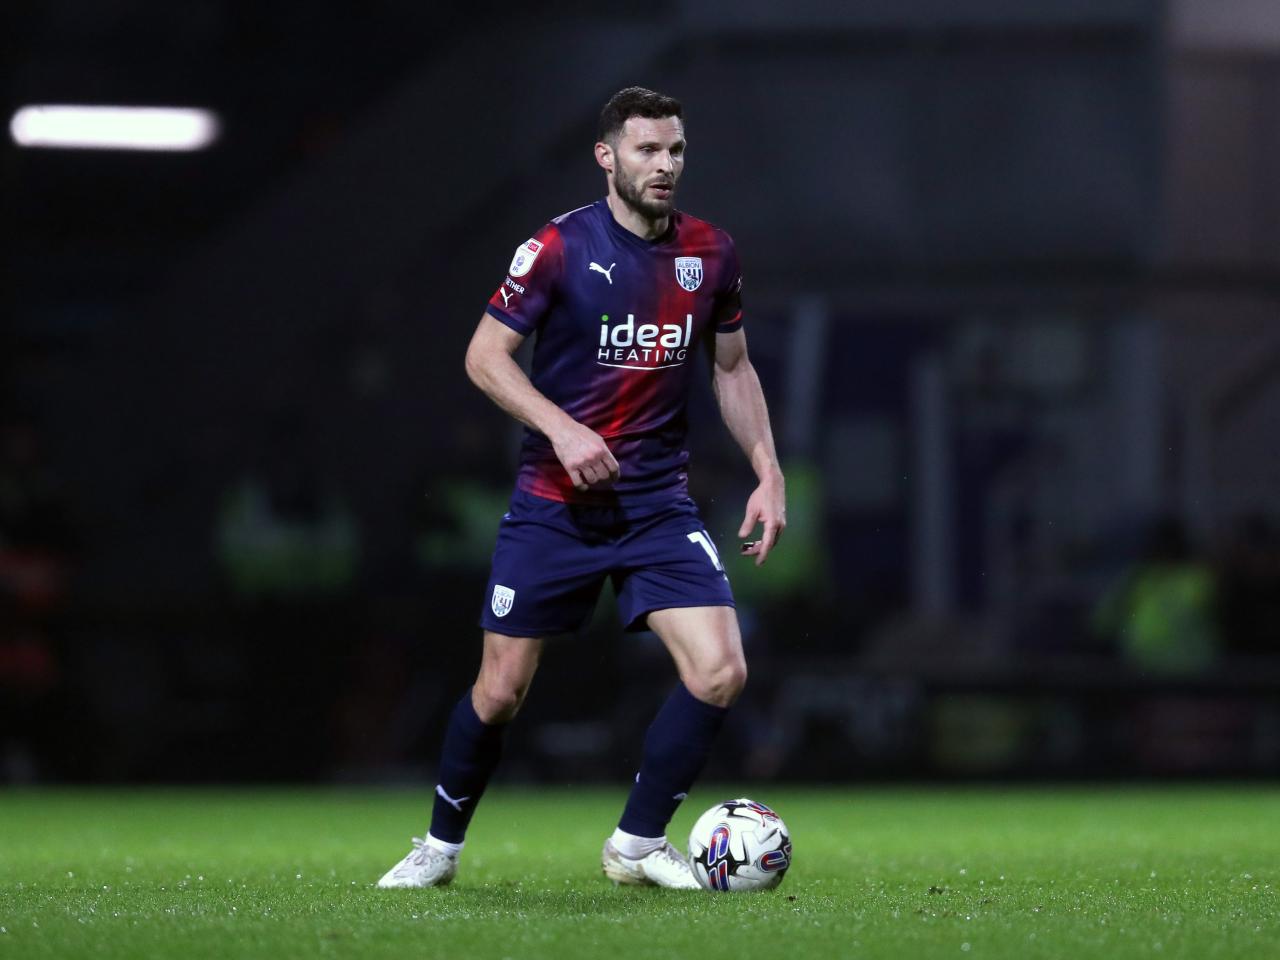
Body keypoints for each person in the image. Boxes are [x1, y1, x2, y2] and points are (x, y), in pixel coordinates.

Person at [378, 86, 785, 890]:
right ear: (607, 157)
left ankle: (636, 845)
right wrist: (563, 429)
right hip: (555, 507)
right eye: (646, 150)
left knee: (720, 671)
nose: (664, 165)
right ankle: (440, 847)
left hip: (657, 506)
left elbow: (730, 367)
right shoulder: (560, 247)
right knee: (500, 693)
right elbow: (484, 357)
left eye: (674, 150)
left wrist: (767, 470)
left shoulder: (712, 253)